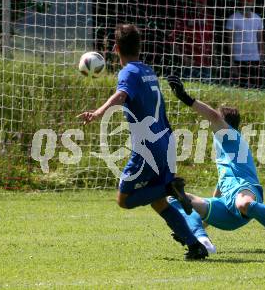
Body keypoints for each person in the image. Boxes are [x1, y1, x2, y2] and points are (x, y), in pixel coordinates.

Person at [77, 24, 208, 260]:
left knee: (124, 200)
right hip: (165, 141)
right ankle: (194, 245)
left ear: (116, 48)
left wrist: (98, 113)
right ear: (139, 47)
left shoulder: (128, 72)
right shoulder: (148, 71)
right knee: (158, 201)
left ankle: (170, 188)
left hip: (147, 147)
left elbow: (121, 96)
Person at [166, 75, 265, 256]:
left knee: (243, 203)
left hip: (246, 191)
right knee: (175, 196)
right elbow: (222, 182)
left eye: (216, 122)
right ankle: (202, 241)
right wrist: (201, 225)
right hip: (226, 210)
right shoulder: (223, 147)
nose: (211, 124)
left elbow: (214, 116)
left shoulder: (231, 136)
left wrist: (186, 97)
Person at [170, 0, 215, 81]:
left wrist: (214, 59)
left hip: (205, 64)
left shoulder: (209, 18)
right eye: (198, 3)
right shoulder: (185, 18)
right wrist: (184, 58)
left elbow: (212, 40)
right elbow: (171, 40)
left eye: (202, 3)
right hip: (190, 64)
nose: (200, 5)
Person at [225, 0, 264, 88]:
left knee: (258, 87)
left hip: (255, 59)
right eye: (245, 0)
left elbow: (260, 40)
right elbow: (229, 41)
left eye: (250, 0)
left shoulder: (258, 18)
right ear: (240, 2)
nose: (247, 3)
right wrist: (232, 63)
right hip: (239, 59)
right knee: (241, 88)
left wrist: (262, 56)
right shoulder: (233, 18)